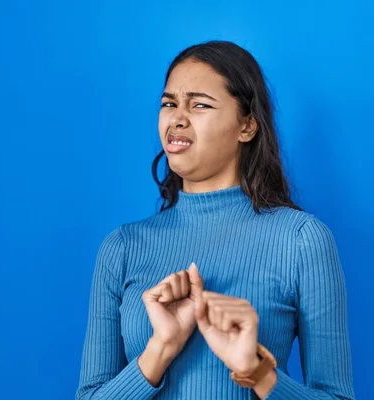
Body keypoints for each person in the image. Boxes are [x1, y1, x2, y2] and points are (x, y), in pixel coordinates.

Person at [76, 40, 355, 400]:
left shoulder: (302, 240)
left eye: (200, 105)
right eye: (169, 103)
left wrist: (256, 372)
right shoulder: (122, 248)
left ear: (247, 127)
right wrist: (160, 348)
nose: (177, 118)